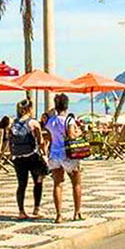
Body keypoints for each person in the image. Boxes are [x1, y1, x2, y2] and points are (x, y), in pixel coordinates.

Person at [44, 93, 84, 223]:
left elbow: (49, 138)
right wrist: (79, 132)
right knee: (76, 183)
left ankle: (59, 215)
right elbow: (72, 136)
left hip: (54, 154)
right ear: (67, 106)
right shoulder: (69, 120)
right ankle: (77, 212)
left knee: (57, 184)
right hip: (67, 154)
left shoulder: (51, 121)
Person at [9, 99, 47, 220]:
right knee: (38, 181)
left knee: (21, 185)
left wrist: (12, 154)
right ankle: (36, 208)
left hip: (18, 158)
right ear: (29, 109)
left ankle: (21, 211)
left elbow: (10, 142)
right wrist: (45, 153)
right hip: (32, 156)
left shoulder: (13, 123)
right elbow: (40, 141)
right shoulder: (33, 123)